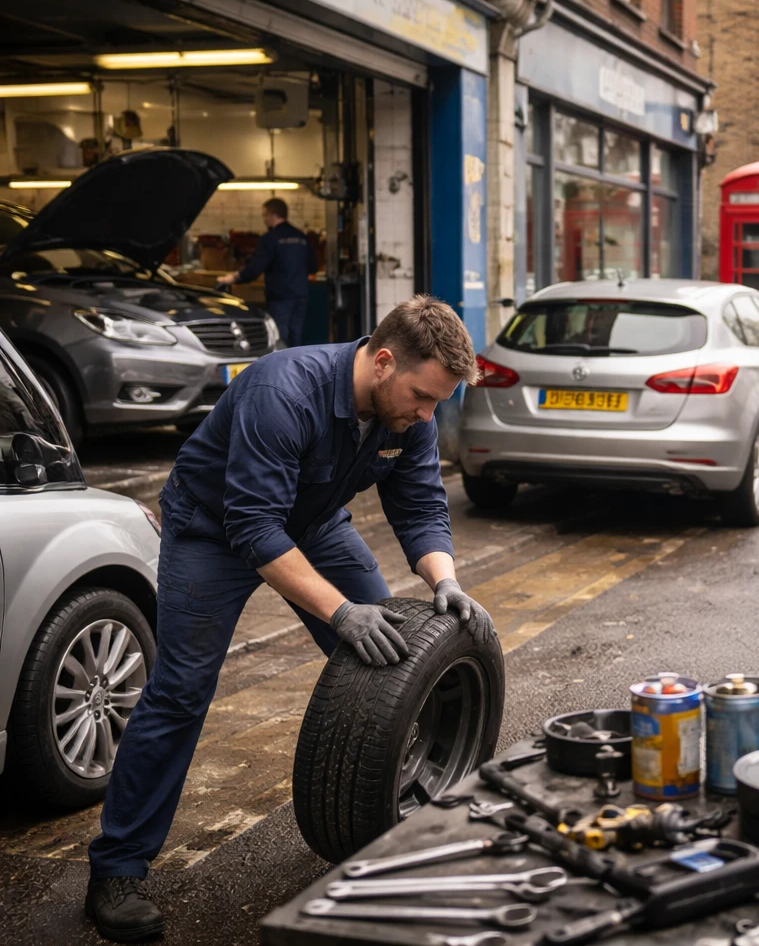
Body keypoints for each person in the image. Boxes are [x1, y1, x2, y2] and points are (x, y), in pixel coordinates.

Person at [85, 295, 493, 942]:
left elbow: (418, 504)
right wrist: (340, 611)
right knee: (181, 691)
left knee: (393, 660)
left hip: (314, 523)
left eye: (437, 403)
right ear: (383, 362)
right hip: (213, 531)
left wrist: (446, 581)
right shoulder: (283, 390)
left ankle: (410, 806)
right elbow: (253, 527)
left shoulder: (407, 415)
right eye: (421, 397)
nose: (426, 416)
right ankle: (117, 868)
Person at [219, 197, 317, 347]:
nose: (264, 219)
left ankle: (284, 370)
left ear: (273, 215)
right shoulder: (301, 237)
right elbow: (312, 267)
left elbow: (254, 269)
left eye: (265, 215)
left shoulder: (270, 239)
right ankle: (298, 369)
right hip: (300, 295)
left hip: (280, 297)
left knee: (280, 339)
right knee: (296, 338)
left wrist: (233, 278)